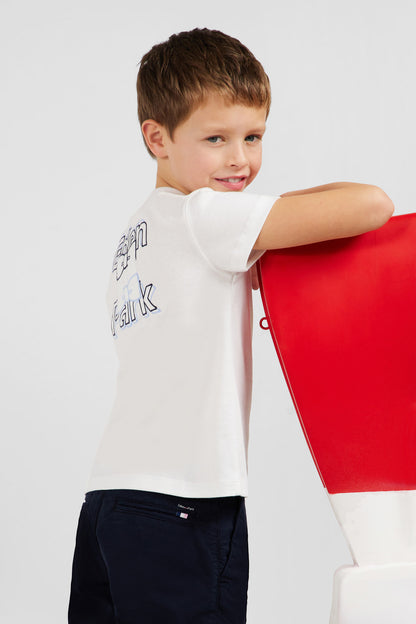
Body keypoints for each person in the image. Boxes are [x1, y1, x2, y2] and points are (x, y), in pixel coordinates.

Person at [68, 28, 394, 624]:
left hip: (110, 503)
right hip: (185, 503)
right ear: (156, 138)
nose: (240, 159)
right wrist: (268, 207)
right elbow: (372, 204)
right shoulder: (207, 216)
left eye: (253, 136)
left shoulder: (135, 235)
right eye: (215, 138)